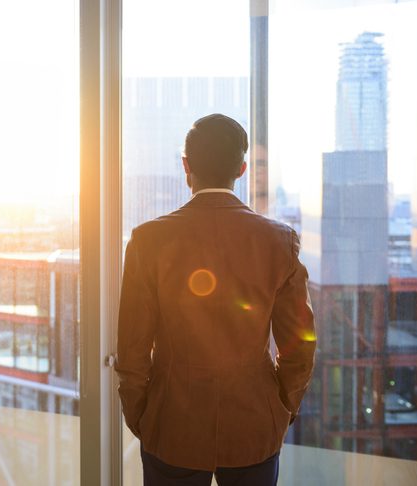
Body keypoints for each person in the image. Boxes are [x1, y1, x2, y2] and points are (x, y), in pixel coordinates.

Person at [115, 114, 316, 486]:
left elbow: (132, 348)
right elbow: (299, 346)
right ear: (241, 169)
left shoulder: (148, 241)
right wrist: (283, 407)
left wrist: (141, 413)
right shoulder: (279, 241)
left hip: (171, 422)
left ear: (186, 166)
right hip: (254, 424)